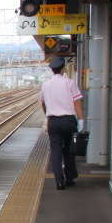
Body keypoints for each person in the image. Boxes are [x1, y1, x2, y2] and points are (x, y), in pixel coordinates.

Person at [39, 55, 84, 190]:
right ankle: (70, 178)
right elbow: (77, 103)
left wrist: (47, 115)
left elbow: (42, 103)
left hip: (53, 121)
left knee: (55, 151)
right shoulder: (69, 83)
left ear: (52, 70)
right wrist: (81, 120)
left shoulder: (45, 85)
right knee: (69, 150)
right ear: (63, 68)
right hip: (68, 120)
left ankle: (59, 181)